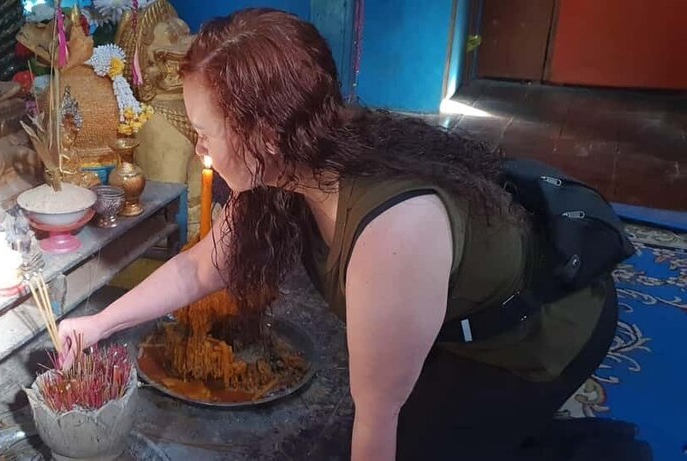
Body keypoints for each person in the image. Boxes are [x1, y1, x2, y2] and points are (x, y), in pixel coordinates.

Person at [56, 8, 621, 461]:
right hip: (454, 316)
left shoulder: (394, 231)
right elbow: (202, 267)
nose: (200, 150)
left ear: (267, 135)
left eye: (205, 133)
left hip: (544, 334)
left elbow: (378, 417)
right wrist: (97, 324)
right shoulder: (292, 163)